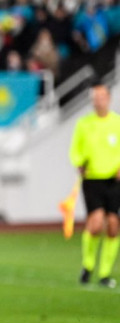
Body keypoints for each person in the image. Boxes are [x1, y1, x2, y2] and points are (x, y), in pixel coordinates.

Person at [69, 81, 120, 287]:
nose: (97, 102)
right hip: (92, 179)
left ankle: (105, 273)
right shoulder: (84, 124)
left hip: (113, 180)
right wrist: (79, 163)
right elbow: (75, 150)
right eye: (94, 98)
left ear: (108, 99)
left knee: (114, 226)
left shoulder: (117, 123)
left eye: (101, 97)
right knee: (96, 223)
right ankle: (88, 265)